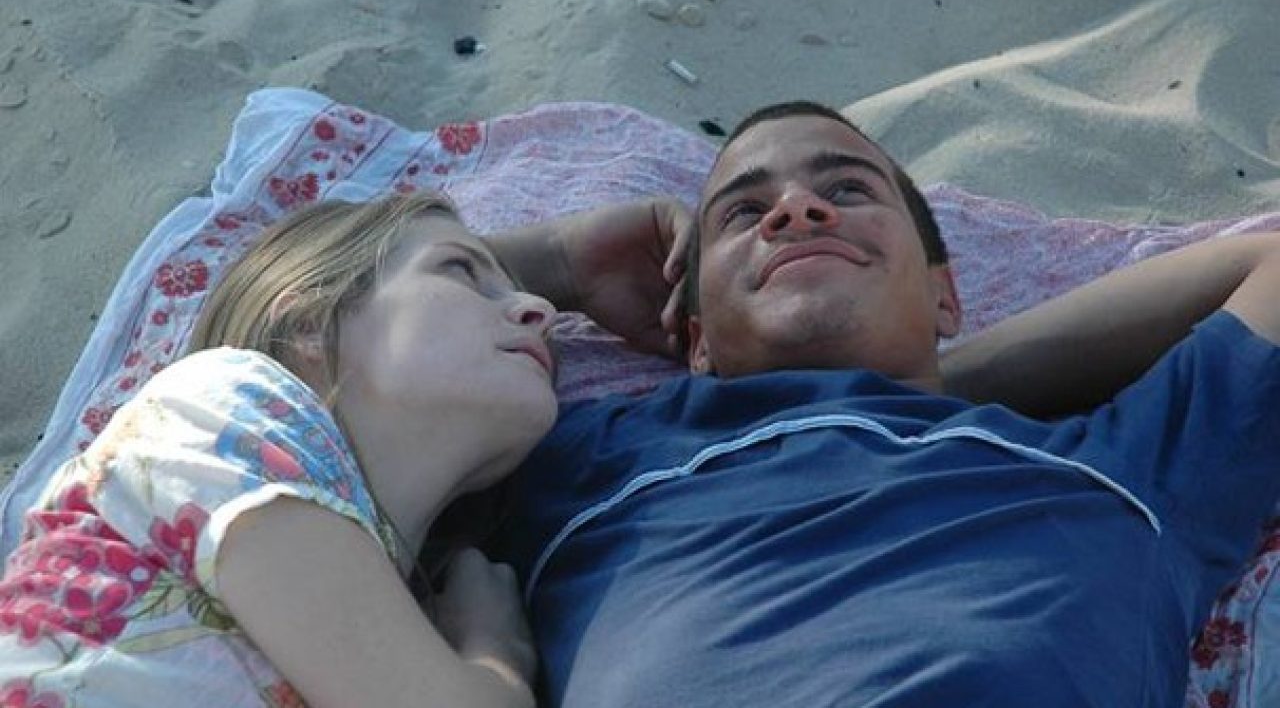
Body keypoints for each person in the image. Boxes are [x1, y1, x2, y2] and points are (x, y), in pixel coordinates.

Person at [485, 101, 1280, 707]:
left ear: (946, 296)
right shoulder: (583, 461)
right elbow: (401, 334)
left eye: (848, 189)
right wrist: (555, 261)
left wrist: (915, 385)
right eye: (742, 213)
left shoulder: (1128, 468)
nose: (796, 210)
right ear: (695, 340)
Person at [0, 192, 556, 707]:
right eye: (460, 269)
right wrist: (497, 648)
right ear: (310, 323)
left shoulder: (396, 626)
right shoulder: (223, 403)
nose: (540, 310)